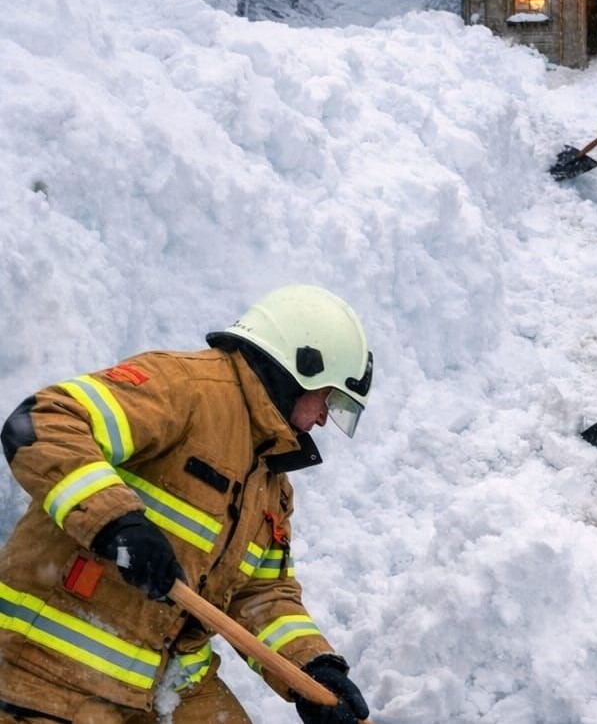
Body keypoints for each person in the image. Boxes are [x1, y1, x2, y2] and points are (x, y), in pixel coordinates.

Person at [0, 284, 373, 724]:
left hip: (172, 688)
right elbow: (44, 421)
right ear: (300, 367)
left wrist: (313, 668)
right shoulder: (183, 389)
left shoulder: (271, 483)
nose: (325, 419)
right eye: (327, 398)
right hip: (48, 674)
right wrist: (116, 523)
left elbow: (262, 593)